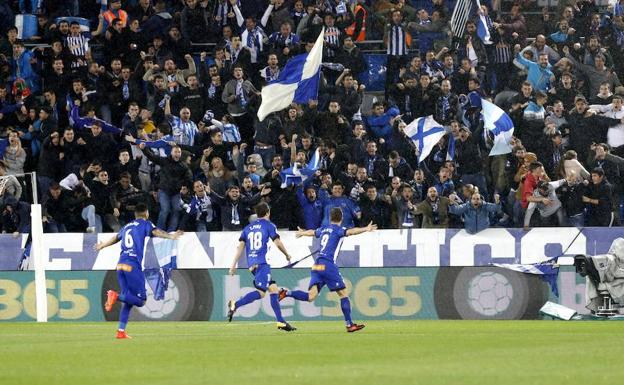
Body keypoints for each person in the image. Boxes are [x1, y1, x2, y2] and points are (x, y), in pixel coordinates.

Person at [279, 207, 375, 332]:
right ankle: (349, 324)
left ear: (330, 218)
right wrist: (365, 229)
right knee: (343, 294)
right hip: (328, 264)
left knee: (311, 296)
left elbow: (313, 232)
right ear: (341, 218)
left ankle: (286, 293)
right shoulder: (339, 230)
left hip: (317, 264)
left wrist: (302, 233)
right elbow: (351, 232)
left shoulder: (324, 229)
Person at [95, 203, 182, 339]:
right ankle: (115, 296)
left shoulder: (127, 226)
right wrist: (171, 237)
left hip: (120, 265)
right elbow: (156, 232)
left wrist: (102, 245)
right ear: (146, 213)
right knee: (141, 300)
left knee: (129, 301)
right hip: (132, 266)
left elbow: (116, 238)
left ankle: (121, 331)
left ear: (135, 214)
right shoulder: (145, 224)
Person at [227, 202, 296, 332]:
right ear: (268, 212)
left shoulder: (247, 228)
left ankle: (281, 322)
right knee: (261, 293)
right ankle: (235, 304)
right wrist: (287, 255)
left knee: (274, 289)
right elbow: (278, 242)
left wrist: (233, 265)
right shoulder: (269, 226)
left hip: (252, 264)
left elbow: (240, 248)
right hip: (262, 264)